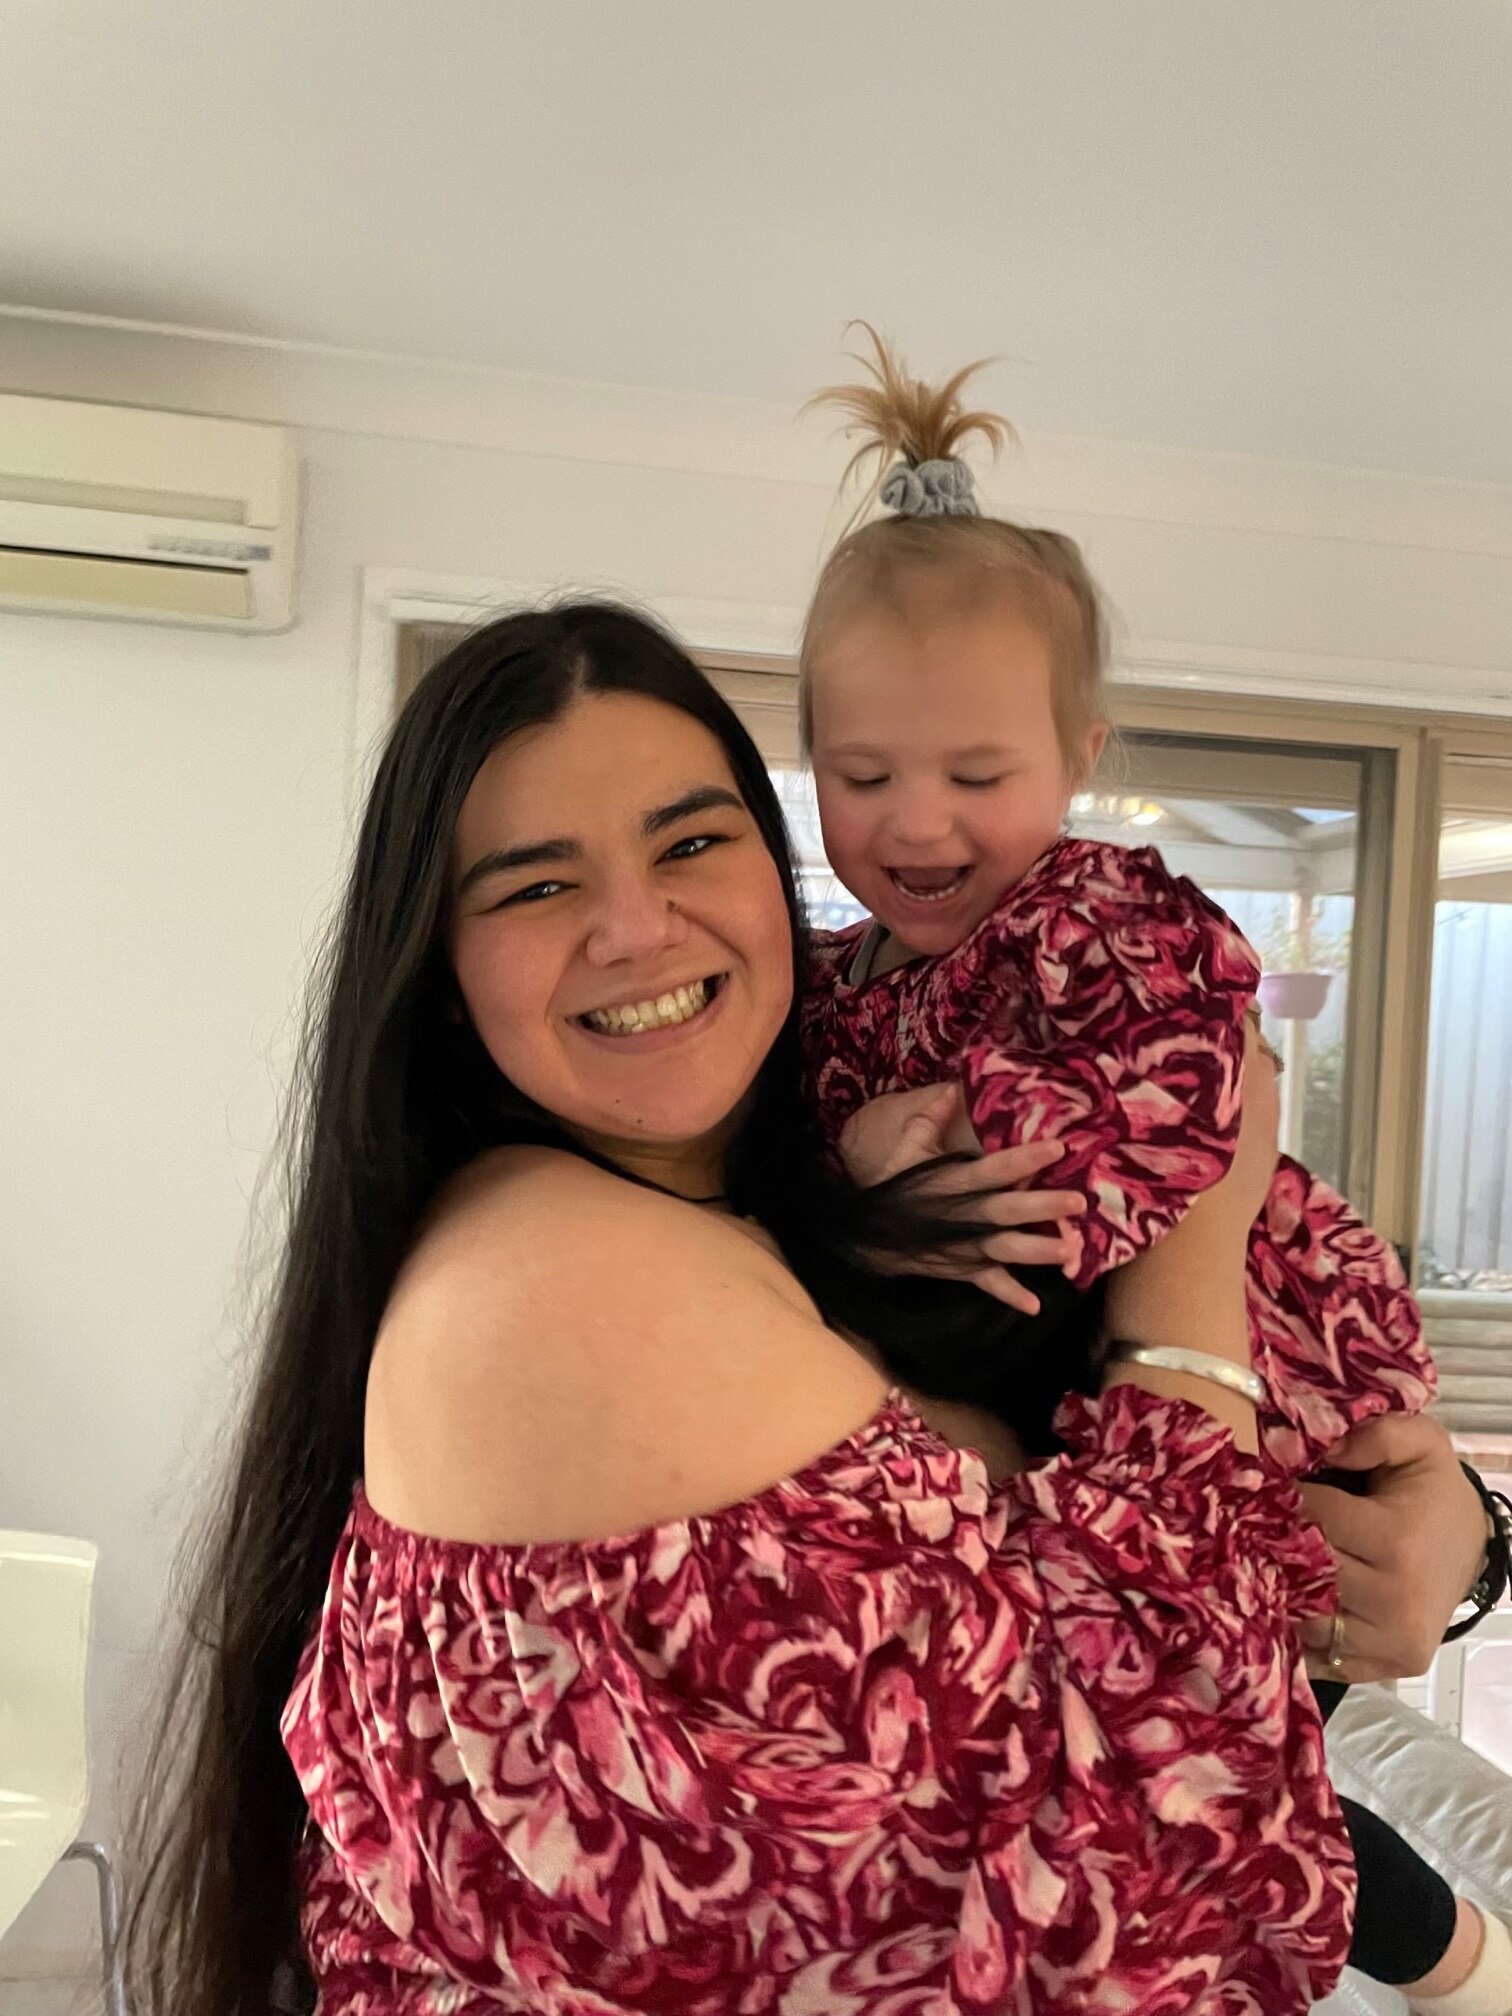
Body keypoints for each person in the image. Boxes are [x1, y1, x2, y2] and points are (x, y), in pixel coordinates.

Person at [122, 604, 1497, 2016]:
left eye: (694, 841)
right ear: (440, 969)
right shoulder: (546, 1286)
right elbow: (1138, 1876)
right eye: (536, 886)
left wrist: (1455, 1532)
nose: (639, 929)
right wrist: (1194, 1240)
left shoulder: (782, 1169)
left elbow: (1108, 1507)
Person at [797, 327, 1512, 2014]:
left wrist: (979, 1148)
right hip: (1063, 1436)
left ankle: (1462, 1958)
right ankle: (1451, 1952)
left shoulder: (1107, 920)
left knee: (1252, 1699)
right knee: (1220, 1744)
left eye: (979, 774)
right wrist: (848, 1177)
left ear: (1082, 755)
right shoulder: (825, 983)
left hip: (1242, 1338)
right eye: (860, 773)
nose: (917, 822)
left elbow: (1192, 1096)